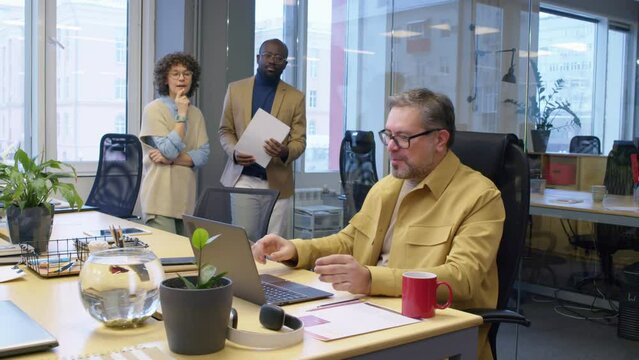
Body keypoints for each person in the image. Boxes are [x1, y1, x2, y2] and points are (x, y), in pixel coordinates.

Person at [251, 88, 505, 359]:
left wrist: (371, 279)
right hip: (370, 316)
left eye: (404, 138)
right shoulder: (387, 187)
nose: (391, 147)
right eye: (389, 136)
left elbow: (463, 278)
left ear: (440, 140)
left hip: (434, 335)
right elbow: (349, 240)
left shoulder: (480, 197)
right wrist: (295, 249)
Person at [218, 38, 306, 239]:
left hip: (277, 182)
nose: (272, 60)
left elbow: (299, 141)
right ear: (258, 58)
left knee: (274, 243)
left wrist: (285, 151)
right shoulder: (235, 89)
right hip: (243, 177)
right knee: (244, 238)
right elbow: (225, 130)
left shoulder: (296, 97)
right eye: (267, 55)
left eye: (278, 57)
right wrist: (234, 152)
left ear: (285, 64)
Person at [139, 52, 210, 235]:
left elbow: (203, 155)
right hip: (159, 201)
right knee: (164, 260)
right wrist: (182, 115)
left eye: (187, 74)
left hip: (185, 201)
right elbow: (168, 150)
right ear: (165, 78)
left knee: (183, 260)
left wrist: (171, 160)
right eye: (175, 73)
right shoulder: (154, 109)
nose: (181, 78)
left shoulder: (197, 114)